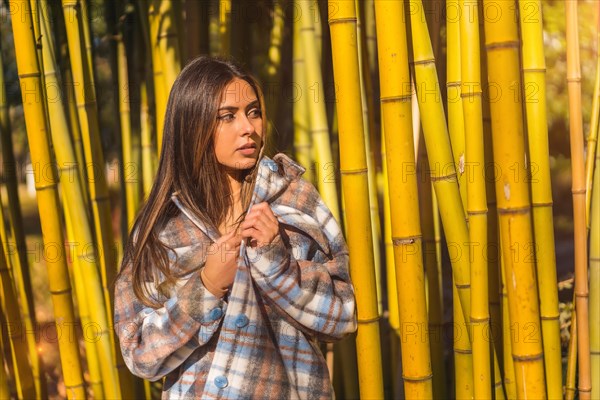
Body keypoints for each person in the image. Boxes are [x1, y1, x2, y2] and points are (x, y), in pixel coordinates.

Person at [114, 56, 357, 399]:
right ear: (192, 125)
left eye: (253, 112)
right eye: (227, 116)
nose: (249, 128)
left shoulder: (295, 199)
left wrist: (276, 263)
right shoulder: (162, 227)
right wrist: (206, 287)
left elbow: (342, 316)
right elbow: (140, 354)